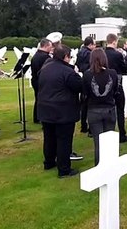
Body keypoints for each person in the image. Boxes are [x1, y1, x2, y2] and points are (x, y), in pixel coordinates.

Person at [37, 45, 82, 178]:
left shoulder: (45, 68)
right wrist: (77, 73)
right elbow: (79, 86)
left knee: (49, 137)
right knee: (64, 140)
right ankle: (64, 169)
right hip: (62, 110)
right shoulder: (68, 71)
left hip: (45, 108)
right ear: (65, 57)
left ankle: (49, 162)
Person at [83, 48, 118, 166]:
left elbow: (85, 93)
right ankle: (108, 166)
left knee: (98, 142)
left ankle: (99, 166)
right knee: (108, 141)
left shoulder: (87, 74)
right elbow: (115, 91)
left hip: (94, 110)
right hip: (109, 109)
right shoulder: (112, 73)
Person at [105, 33, 127, 143]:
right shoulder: (117, 55)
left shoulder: (102, 53)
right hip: (117, 83)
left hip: (104, 84)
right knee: (120, 109)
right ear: (114, 41)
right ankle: (122, 134)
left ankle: (107, 133)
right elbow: (125, 68)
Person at [76, 36, 96, 134]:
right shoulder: (90, 54)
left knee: (84, 103)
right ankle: (91, 128)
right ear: (90, 44)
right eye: (94, 44)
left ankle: (83, 125)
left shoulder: (80, 52)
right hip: (90, 77)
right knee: (91, 104)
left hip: (83, 77)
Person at [30, 38, 52, 124]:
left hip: (35, 80)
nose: (51, 49)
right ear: (46, 46)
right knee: (43, 100)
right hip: (41, 81)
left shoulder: (36, 55)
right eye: (50, 47)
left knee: (38, 99)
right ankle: (42, 117)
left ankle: (36, 117)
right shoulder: (45, 57)